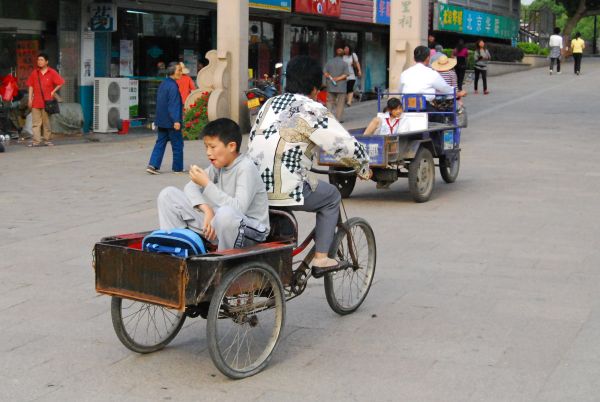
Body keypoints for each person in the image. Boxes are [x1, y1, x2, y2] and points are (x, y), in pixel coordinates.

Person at [247, 55, 371, 277]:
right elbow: (341, 144)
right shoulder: (312, 109)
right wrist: (363, 165)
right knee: (332, 196)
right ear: (315, 88)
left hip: (253, 185)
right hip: (285, 187)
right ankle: (322, 259)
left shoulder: (269, 104)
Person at [156, 118, 269, 251]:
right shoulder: (218, 166)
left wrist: (207, 185)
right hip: (219, 225)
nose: (208, 152)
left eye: (213, 147)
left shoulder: (245, 168)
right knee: (168, 195)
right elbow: (190, 187)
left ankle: (223, 262)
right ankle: (177, 251)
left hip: (250, 232)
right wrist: (207, 210)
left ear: (231, 146)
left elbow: (238, 208)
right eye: (206, 147)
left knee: (225, 214)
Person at [147, 62, 184, 175]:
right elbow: (174, 104)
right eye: (179, 70)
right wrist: (176, 120)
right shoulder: (173, 86)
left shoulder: (164, 83)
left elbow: (161, 103)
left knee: (160, 142)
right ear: (172, 72)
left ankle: (153, 165)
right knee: (177, 144)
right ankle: (177, 168)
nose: (181, 73)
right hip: (171, 122)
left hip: (162, 120)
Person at [25, 53, 64, 147]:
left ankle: (47, 140)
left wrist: (53, 91)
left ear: (47, 61)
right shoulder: (35, 72)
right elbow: (30, 86)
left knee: (47, 123)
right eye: (38, 60)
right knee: (35, 123)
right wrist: (30, 99)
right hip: (36, 102)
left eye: (41, 60)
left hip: (48, 102)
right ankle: (36, 141)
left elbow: (61, 82)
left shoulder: (52, 72)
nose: (39, 61)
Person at [323, 46, 349, 122]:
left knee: (329, 102)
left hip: (330, 85)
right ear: (343, 55)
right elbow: (346, 74)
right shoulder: (344, 63)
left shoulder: (329, 62)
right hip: (341, 86)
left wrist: (330, 77)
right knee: (340, 103)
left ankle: (328, 119)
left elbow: (325, 73)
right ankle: (338, 119)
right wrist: (338, 78)